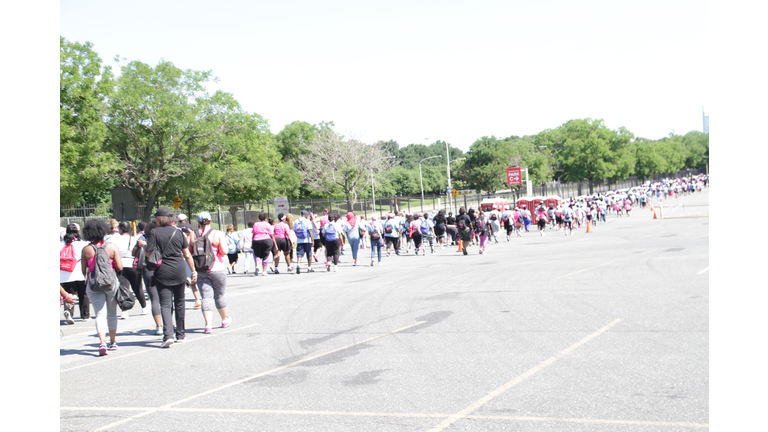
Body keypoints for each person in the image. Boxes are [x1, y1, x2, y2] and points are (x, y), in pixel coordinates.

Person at [145, 207, 197, 348]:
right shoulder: (178, 232)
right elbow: (187, 254)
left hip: (163, 271)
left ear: (160, 218)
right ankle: (181, 334)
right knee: (180, 302)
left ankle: (168, 335)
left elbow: (148, 253)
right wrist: (193, 271)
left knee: (166, 304)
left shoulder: (154, 232)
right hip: (179, 270)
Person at [81, 219, 123, 356]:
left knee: (99, 314)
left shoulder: (86, 250)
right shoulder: (111, 247)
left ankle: (102, 342)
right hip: (111, 283)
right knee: (112, 313)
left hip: (93, 284)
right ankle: (113, 341)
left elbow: (84, 270)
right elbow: (120, 267)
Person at [193, 212, 232, 334]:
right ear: (210, 221)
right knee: (219, 295)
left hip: (201, 269)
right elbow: (225, 251)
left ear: (198, 222)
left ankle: (208, 324)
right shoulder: (217, 233)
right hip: (217, 268)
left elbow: (190, 252)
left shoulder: (193, 235)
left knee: (206, 297)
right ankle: (224, 319)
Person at [106, 221, 148, 319]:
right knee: (137, 287)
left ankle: (124, 311)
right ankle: (144, 307)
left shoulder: (114, 239)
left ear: (120, 229)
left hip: (120, 264)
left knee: (123, 288)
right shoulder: (134, 239)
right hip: (133, 264)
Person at [133, 221, 163, 335]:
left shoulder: (142, 237)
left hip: (148, 268)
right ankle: (169, 324)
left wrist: (140, 245)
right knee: (166, 298)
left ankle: (159, 326)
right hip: (161, 267)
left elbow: (133, 253)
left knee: (154, 299)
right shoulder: (160, 237)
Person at [60, 223, 90, 323]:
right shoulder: (83, 244)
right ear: (78, 231)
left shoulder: (60, 244)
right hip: (80, 273)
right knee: (83, 294)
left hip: (64, 274)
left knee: (69, 294)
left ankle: (69, 311)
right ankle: (85, 315)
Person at [177, 214, 202, 308]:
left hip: (188, 257)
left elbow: (185, 247)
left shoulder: (177, 229)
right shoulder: (191, 228)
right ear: (186, 219)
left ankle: (197, 299)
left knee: (193, 280)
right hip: (199, 256)